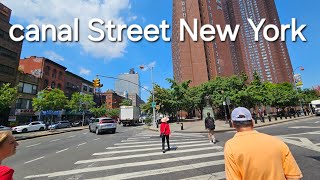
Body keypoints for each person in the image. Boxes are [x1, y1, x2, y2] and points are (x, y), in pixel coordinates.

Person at [224, 107, 302, 180]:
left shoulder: (231, 146)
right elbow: (293, 176)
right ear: (253, 122)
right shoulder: (277, 142)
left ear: (233, 124)